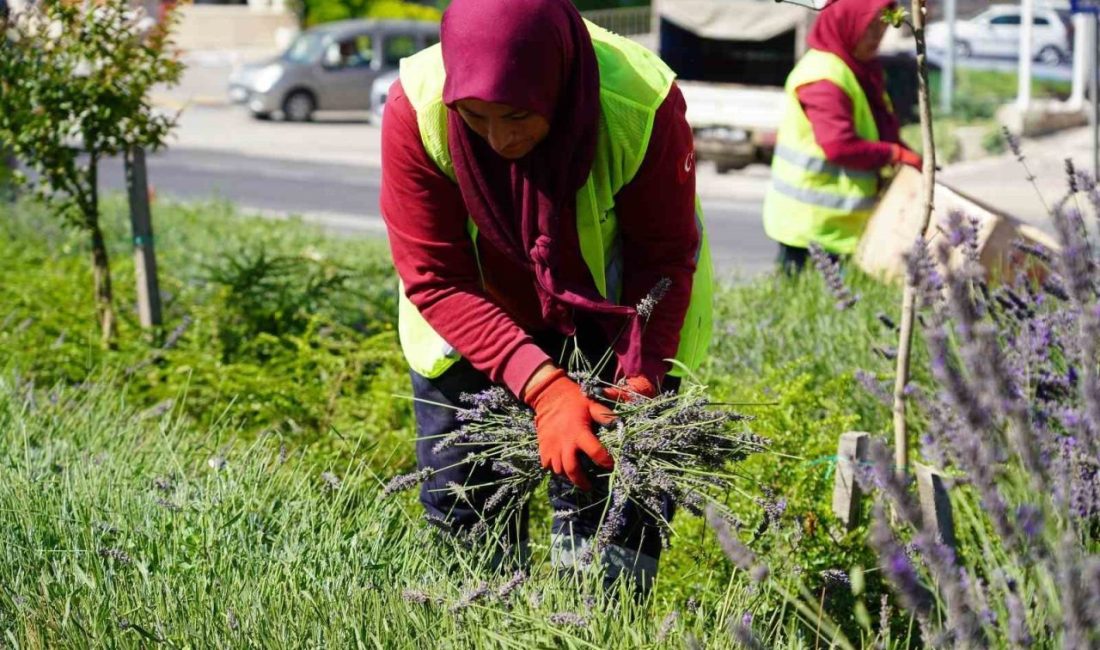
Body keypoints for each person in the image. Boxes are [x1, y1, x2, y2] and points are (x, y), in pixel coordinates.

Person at [379, 0, 713, 593]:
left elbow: (661, 260)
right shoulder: (420, 108)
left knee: (612, 523)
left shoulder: (637, 105)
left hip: (615, 320)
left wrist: (639, 381)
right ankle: (484, 627)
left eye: (516, 114)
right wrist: (544, 387)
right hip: (470, 326)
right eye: (475, 118)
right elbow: (435, 275)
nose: (500, 138)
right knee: (470, 516)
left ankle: (604, 626)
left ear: (557, 83)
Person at [762, 0, 923, 274]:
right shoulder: (823, 76)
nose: (876, 38)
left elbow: (877, 129)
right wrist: (894, 155)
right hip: (812, 227)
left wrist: (907, 156)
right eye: (868, 29)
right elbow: (839, 145)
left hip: (844, 228)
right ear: (845, 24)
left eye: (881, 28)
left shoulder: (860, 69)